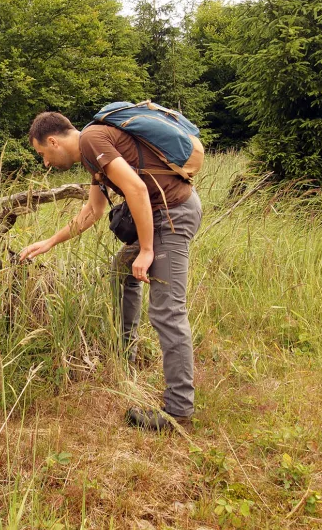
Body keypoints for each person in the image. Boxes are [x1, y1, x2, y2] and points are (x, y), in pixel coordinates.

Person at [18, 111, 203, 432]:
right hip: (162, 216)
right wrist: (50, 241)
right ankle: (125, 357)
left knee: (167, 312)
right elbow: (93, 211)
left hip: (172, 217)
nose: (45, 162)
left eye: (43, 154)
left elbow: (136, 190)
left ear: (52, 141)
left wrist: (146, 250)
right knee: (121, 272)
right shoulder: (93, 156)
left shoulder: (92, 140)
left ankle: (179, 412)